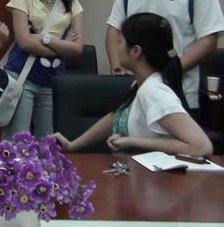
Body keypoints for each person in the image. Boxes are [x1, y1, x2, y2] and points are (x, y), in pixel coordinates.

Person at [53, 13, 212, 156]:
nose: (117, 48)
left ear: (136, 51)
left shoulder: (153, 92)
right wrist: (73, 145)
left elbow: (202, 146)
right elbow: (117, 115)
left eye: (120, 42)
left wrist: (135, 142)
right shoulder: (142, 84)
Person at [1, 0, 83, 140]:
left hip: (53, 79)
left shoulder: (73, 4)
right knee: (18, 141)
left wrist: (43, 38)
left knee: (47, 143)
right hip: (22, 75)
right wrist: (62, 46)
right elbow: (24, 42)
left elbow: (77, 49)